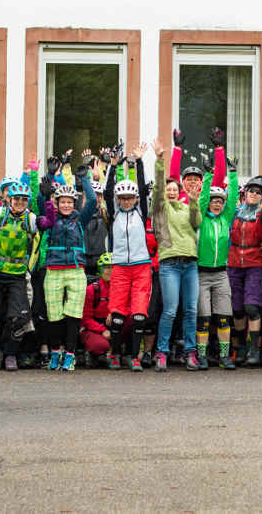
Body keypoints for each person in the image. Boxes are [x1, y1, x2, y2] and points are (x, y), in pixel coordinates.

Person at [0, 158, 56, 371]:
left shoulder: (30, 219)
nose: (19, 202)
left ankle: (10, 354)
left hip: (17, 276)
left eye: (23, 200)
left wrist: (47, 199)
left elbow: (49, 223)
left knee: (19, 318)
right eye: (16, 199)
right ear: (9, 199)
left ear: (27, 201)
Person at [151, 138, 202, 372]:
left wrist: (193, 203)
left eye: (174, 189)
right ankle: (161, 353)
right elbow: (159, 189)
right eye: (168, 189)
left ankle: (190, 353)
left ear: (179, 192)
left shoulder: (185, 207)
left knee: (191, 310)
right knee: (170, 310)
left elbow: (196, 223)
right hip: (170, 264)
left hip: (190, 264)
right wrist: (160, 160)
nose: (171, 191)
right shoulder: (160, 209)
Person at [43, 161, 98, 372]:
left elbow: (92, 201)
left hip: (76, 270)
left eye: (69, 202)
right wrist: (48, 179)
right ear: (57, 203)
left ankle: (70, 355)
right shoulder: (50, 219)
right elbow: (41, 203)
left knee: (74, 314)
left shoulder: (80, 220)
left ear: (74, 204)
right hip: (54, 269)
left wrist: (84, 178)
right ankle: (55, 352)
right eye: (62, 202)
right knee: (54, 314)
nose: (65, 205)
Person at [103, 146, 154, 370]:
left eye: (129, 198)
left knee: (140, 316)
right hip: (120, 268)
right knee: (117, 318)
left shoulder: (141, 212)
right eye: (122, 198)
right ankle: (114, 354)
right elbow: (106, 192)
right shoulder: (114, 213)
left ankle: (134, 357)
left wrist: (140, 163)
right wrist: (112, 166)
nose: (126, 201)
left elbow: (143, 189)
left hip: (142, 267)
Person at [227, 174, 262, 365]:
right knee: (237, 309)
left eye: (258, 192)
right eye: (251, 190)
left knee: (252, 307)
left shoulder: (261, 215)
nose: (254, 194)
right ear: (245, 192)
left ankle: (255, 350)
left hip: (255, 262)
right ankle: (239, 348)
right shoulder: (235, 212)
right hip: (234, 263)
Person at [196, 162, 240, 369]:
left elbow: (232, 200)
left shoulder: (226, 218)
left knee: (223, 318)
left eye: (219, 202)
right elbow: (202, 199)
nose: (216, 204)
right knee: (203, 318)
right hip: (201, 274)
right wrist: (207, 176)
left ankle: (224, 356)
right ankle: (202, 355)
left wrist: (232, 174)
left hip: (221, 274)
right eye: (213, 201)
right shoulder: (201, 220)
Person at [80, 253, 121, 366]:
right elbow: (85, 319)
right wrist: (102, 330)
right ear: (100, 269)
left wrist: (114, 312)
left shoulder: (121, 288)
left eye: (113, 267)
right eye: (106, 267)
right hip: (93, 327)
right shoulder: (92, 289)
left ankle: (123, 353)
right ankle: (94, 353)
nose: (109, 271)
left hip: (113, 323)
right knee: (100, 345)